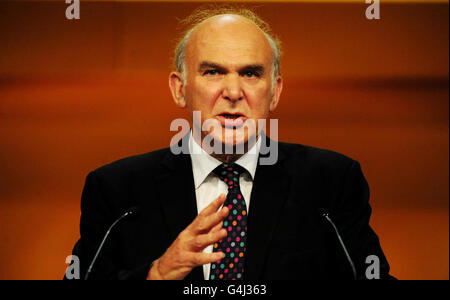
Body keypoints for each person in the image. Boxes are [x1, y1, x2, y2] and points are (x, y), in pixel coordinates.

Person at [68, 7, 394, 280]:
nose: (234, 92)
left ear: (275, 91)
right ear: (179, 89)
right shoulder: (117, 189)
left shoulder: (331, 183)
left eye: (251, 73)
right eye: (213, 72)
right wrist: (157, 274)